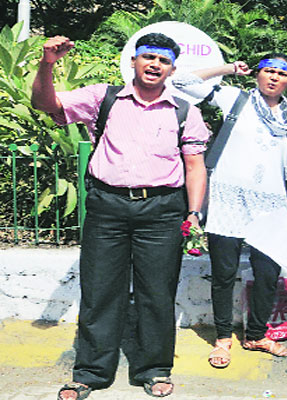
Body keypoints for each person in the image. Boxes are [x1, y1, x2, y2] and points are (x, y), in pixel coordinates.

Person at [32, 33, 208, 399]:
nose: (155, 65)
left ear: (172, 69)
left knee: (156, 293)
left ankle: (154, 368)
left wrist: (193, 213)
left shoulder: (185, 111)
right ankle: (91, 373)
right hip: (107, 207)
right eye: (148, 57)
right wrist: (47, 64)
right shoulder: (104, 98)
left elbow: (194, 165)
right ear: (134, 61)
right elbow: (45, 104)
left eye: (163, 61)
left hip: (162, 211)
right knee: (99, 291)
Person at [171, 53, 287, 368]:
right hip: (228, 200)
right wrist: (228, 69)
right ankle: (223, 338)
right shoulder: (235, 98)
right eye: (268, 71)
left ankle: (257, 335)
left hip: (272, 205)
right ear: (258, 75)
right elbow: (180, 81)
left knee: (268, 274)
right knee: (223, 273)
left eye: (282, 73)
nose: (274, 77)